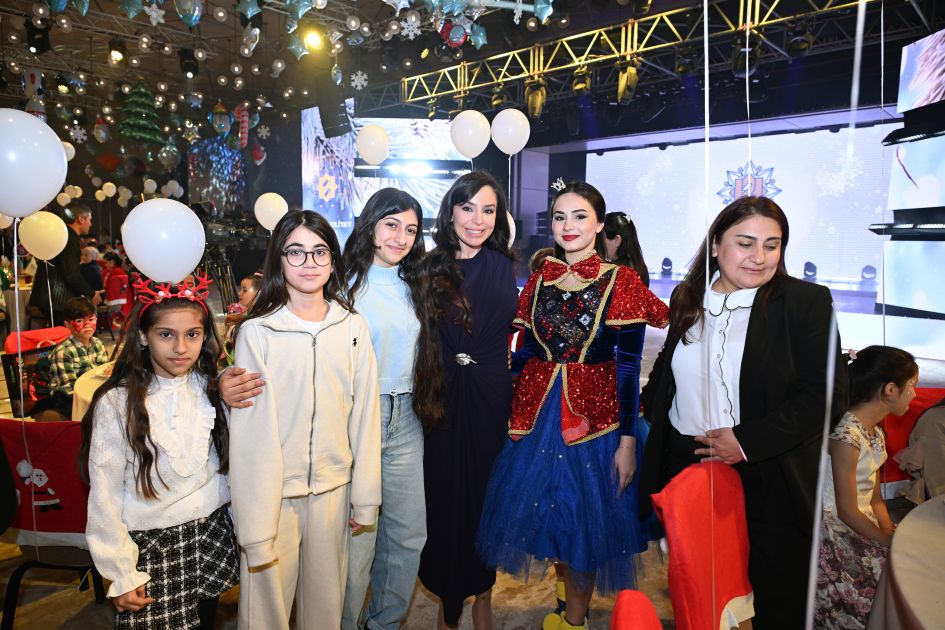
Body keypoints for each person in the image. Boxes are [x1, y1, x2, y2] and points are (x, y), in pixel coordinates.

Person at [638, 196, 848, 629]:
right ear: (716, 244)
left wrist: (747, 441)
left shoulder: (803, 302)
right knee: (701, 592)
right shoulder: (687, 297)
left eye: (772, 245)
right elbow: (665, 373)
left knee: (774, 595)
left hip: (767, 470)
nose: (760, 257)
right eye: (746, 243)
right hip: (687, 466)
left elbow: (825, 395)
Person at [476, 182, 669, 630]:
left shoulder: (621, 281)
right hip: (537, 413)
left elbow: (628, 368)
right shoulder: (539, 279)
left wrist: (626, 443)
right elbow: (527, 351)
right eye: (560, 217)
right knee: (552, 521)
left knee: (584, 531)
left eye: (580, 216)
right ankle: (565, 599)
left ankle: (574, 621)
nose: (568, 226)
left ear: (599, 224)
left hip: (597, 424)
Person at [227, 210, 381, 630]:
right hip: (274, 496)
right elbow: (251, 433)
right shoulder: (258, 332)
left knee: (325, 608)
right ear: (279, 259)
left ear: (333, 261)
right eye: (296, 252)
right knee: (265, 612)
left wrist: (365, 497)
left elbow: (365, 415)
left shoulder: (352, 326)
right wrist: (254, 521)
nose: (309, 263)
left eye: (319, 252)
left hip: (334, 490)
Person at [81, 273, 237, 630]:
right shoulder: (117, 403)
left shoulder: (211, 388)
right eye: (166, 334)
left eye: (192, 334)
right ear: (143, 336)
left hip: (212, 533)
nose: (181, 347)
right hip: (154, 545)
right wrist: (120, 570)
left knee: (206, 621)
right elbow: (105, 493)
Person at [414, 171, 518, 630]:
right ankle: (447, 599)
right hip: (441, 398)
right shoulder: (427, 266)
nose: (478, 220)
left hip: (491, 396)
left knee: (484, 497)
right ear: (451, 211)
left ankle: (484, 593)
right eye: (468, 208)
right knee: (441, 499)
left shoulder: (503, 265)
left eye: (488, 210)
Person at [341, 188, 430, 630]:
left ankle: (383, 624)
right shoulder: (340, 284)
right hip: (359, 416)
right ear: (371, 224)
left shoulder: (417, 283)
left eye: (410, 229)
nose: (401, 237)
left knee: (409, 535)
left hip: (408, 414)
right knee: (358, 540)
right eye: (392, 225)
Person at [816, 346, 917, 629]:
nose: (914, 394)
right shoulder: (846, 435)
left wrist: (888, 530)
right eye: (911, 386)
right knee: (893, 578)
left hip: (862, 522)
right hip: (837, 530)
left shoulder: (875, 432)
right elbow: (847, 510)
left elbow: (875, 499)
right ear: (890, 390)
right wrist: (886, 543)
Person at [29, 204, 101, 323]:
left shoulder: (60, 234)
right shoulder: (69, 238)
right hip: (59, 300)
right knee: (64, 333)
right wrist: (91, 294)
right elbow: (71, 274)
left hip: (48, 297)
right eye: (89, 219)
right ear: (81, 219)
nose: (91, 223)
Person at [43, 297, 109, 421]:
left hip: (94, 393)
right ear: (67, 325)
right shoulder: (63, 352)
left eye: (91, 319)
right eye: (79, 321)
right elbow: (67, 389)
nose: (87, 325)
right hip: (68, 399)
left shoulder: (98, 344)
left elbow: (104, 373)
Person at [603, 211, 650, 287]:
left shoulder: (614, 273)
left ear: (617, 240)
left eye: (602, 238)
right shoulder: (640, 268)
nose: (598, 243)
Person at [223, 273, 261, 339]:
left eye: (245, 290)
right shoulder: (237, 319)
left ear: (258, 293)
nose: (239, 293)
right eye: (240, 289)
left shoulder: (257, 324)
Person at [102, 252, 133, 326]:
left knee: (120, 322)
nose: (105, 265)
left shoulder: (117, 272)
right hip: (120, 302)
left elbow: (117, 291)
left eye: (106, 262)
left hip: (119, 303)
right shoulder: (115, 271)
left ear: (112, 262)